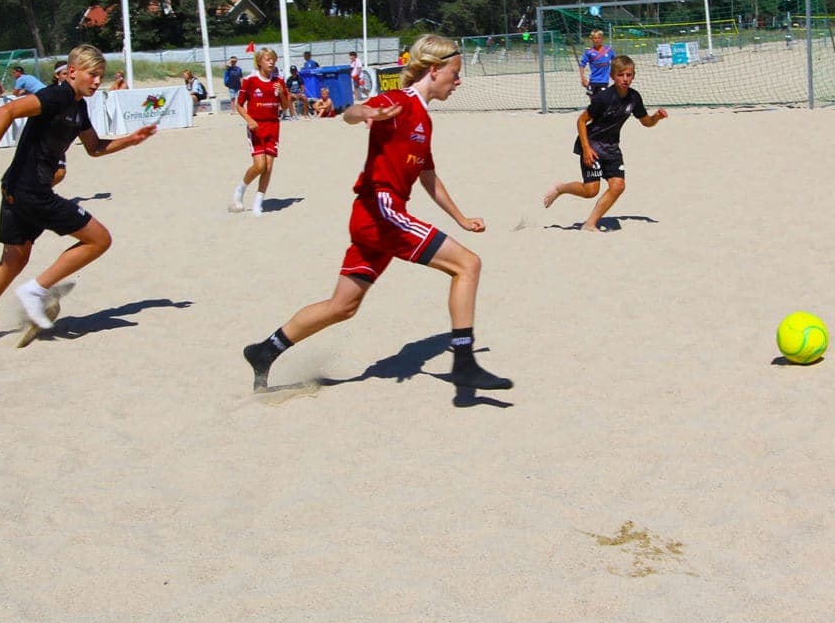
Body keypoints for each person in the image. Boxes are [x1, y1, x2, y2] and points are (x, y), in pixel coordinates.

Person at [241, 34, 512, 393]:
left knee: (343, 306)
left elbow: (427, 175)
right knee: (468, 264)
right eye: (455, 73)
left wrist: (460, 217)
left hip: (375, 217)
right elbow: (351, 113)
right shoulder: (398, 101)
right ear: (434, 70)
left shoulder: (425, 121)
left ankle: (265, 350)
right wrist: (364, 112)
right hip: (380, 211)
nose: (458, 81)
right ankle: (464, 364)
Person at [0, 43, 157, 347]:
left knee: (12, 260)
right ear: (72, 72)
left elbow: (95, 148)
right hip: (29, 190)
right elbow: (7, 110)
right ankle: (36, 289)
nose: (98, 81)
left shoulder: (78, 106)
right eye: (92, 74)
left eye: (101, 75)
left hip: (17, 189)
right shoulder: (57, 95)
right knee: (99, 239)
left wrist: (130, 140)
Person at [542, 54, 667, 232]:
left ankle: (590, 224)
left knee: (618, 186)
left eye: (629, 75)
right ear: (612, 76)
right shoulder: (603, 98)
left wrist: (657, 117)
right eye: (620, 75)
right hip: (592, 145)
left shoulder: (634, 98)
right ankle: (560, 188)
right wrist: (586, 149)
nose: (625, 79)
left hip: (612, 147)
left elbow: (646, 122)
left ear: (634, 76)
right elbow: (581, 121)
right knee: (590, 191)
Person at [230, 47, 290, 216]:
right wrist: (249, 120)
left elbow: (285, 107)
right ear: (259, 61)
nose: (271, 62)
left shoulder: (278, 81)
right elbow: (239, 104)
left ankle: (258, 203)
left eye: (273, 59)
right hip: (256, 126)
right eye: (267, 59)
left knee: (269, 167)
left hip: (273, 126)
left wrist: (281, 94)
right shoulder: (250, 80)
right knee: (259, 165)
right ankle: (240, 191)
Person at [578, 29, 614, 97]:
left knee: (603, 101)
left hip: (604, 81)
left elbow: (616, 61)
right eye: (594, 38)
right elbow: (582, 65)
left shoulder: (608, 50)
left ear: (602, 39)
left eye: (598, 38)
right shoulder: (589, 52)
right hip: (593, 81)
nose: (596, 40)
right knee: (593, 103)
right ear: (592, 39)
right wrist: (583, 78)